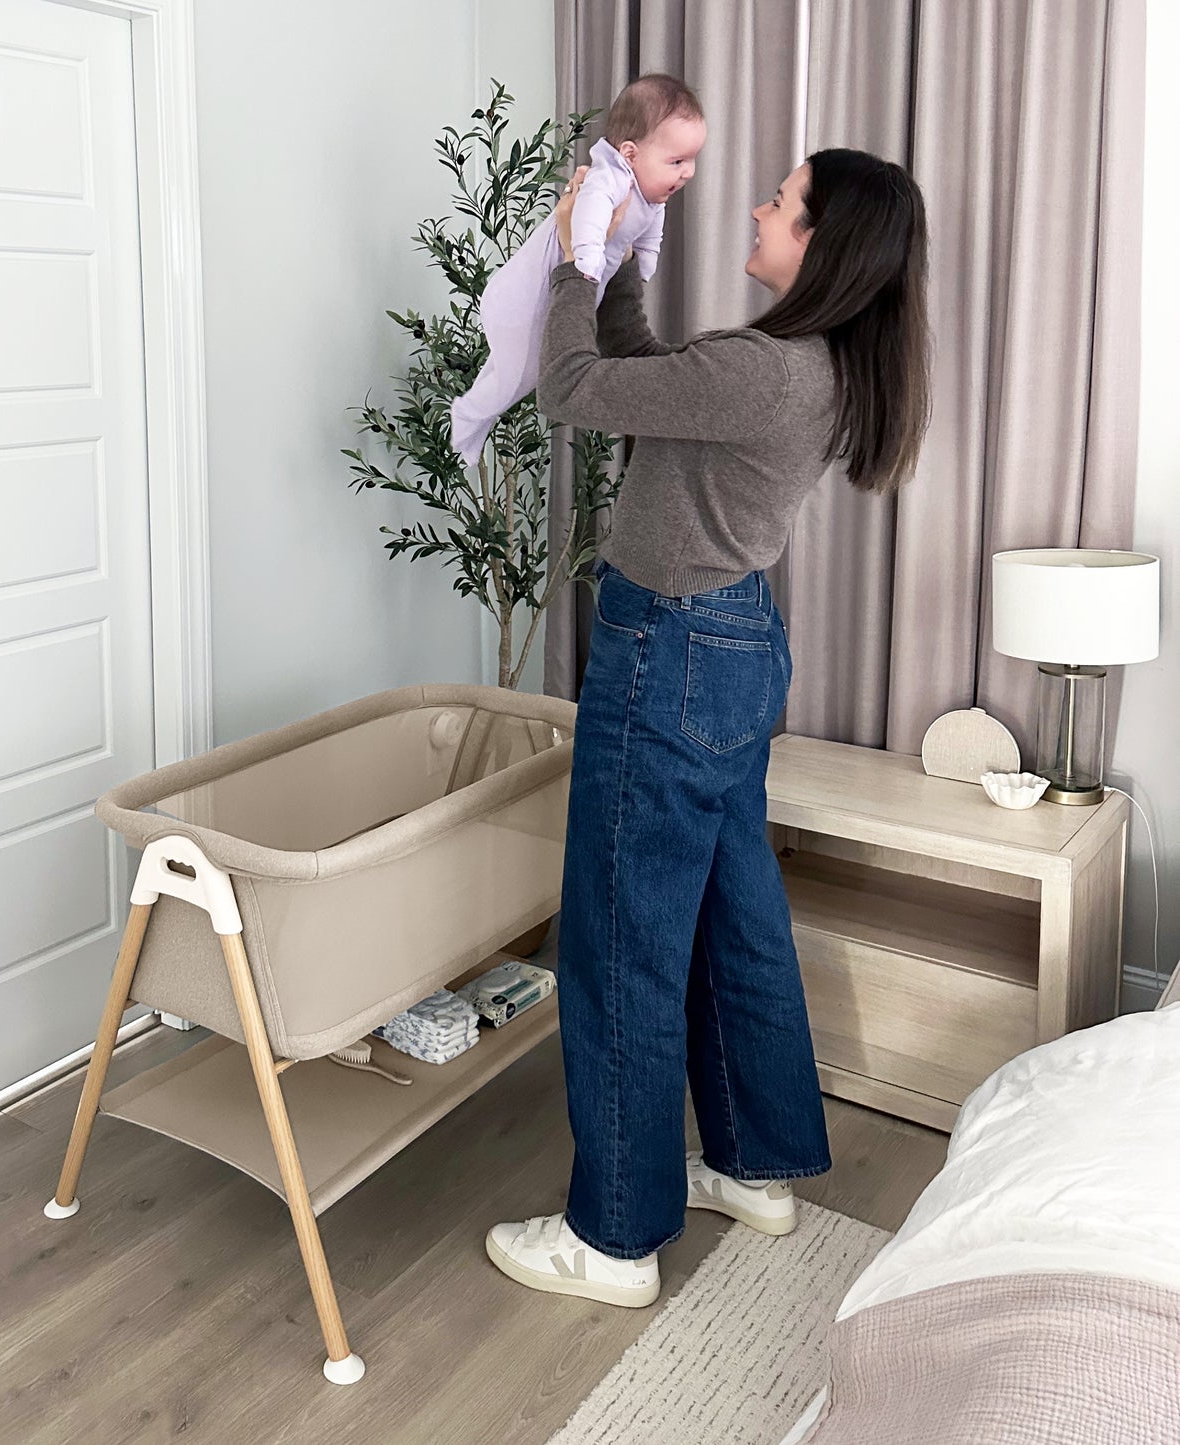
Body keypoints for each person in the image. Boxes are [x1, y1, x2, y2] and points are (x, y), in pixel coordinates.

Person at [485, 149, 931, 1308]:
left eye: (780, 203)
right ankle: (752, 1161)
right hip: (730, 650)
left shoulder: (760, 369)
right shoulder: (808, 366)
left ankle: (613, 1236)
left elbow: (573, 390)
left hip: (665, 651)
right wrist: (632, 260)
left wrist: (580, 257)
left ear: (819, 244)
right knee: (735, 915)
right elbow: (643, 379)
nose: (757, 208)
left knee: (622, 937)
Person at [448, 74, 706, 467]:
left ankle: (471, 420)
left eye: (691, 161)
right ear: (631, 153)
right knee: (515, 377)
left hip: (566, 297)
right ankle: (466, 419)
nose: (686, 172)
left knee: (516, 373)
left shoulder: (653, 196)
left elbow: (650, 236)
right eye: (676, 161)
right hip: (528, 296)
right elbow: (587, 217)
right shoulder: (610, 177)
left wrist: (642, 269)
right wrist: (584, 260)